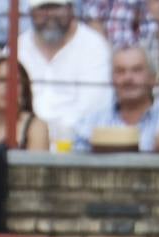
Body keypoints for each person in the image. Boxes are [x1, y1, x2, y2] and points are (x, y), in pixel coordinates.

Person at [17, 0, 114, 142]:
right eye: (43, 9)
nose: (49, 15)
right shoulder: (18, 46)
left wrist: (42, 135)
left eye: (56, 8)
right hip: (25, 141)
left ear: (71, 9)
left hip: (78, 145)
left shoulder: (94, 46)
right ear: (31, 13)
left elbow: (94, 109)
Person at [73, 47, 159, 151]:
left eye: (137, 70)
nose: (128, 78)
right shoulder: (93, 121)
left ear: (153, 78)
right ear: (112, 79)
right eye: (120, 71)